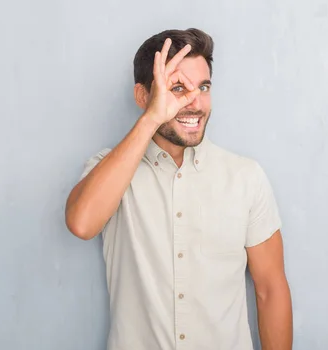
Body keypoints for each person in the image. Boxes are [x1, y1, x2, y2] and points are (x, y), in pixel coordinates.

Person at [65, 28, 293, 350]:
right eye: (177, 88)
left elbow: (270, 288)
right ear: (143, 96)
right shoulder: (109, 171)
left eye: (203, 87)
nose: (194, 102)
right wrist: (152, 118)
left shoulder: (245, 177)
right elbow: (81, 223)